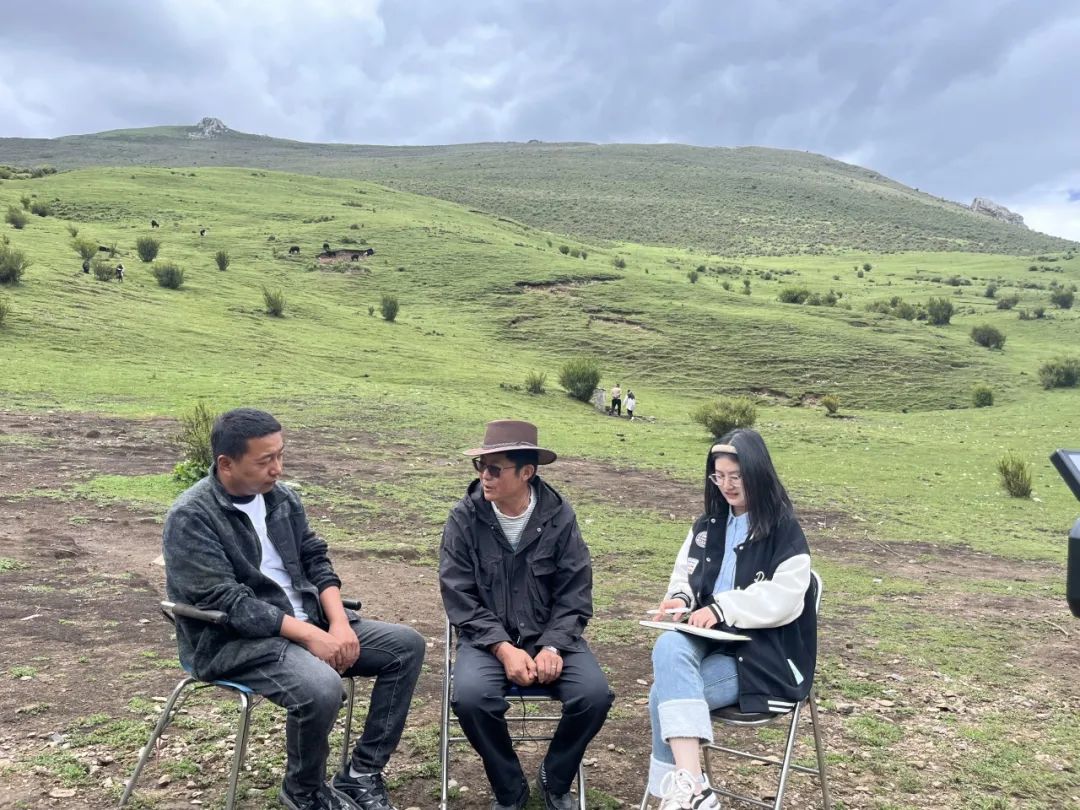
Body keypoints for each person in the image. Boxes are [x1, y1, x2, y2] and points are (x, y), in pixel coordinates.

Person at [163, 408, 425, 810]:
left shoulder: (281, 498)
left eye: (280, 455)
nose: (277, 469)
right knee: (322, 688)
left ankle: (361, 774)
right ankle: (304, 792)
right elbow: (231, 605)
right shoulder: (191, 517)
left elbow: (315, 559)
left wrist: (338, 623)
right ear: (226, 463)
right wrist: (311, 636)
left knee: (406, 646)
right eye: (265, 460)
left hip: (307, 622)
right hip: (233, 641)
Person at [440, 420, 614, 810]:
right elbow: (459, 596)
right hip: (487, 642)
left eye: (495, 468)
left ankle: (555, 778)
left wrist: (553, 645)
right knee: (471, 698)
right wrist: (503, 648)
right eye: (480, 466)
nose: (484, 476)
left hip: (551, 637)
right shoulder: (463, 518)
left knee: (594, 696)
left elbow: (575, 592)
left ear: (527, 473)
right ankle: (509, 789)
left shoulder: (560, 517)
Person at [645, 428, 816, 810]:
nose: (726, 485)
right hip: (709, 641)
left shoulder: (784, 530)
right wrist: (680, 600)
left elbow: (787, 597)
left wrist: (723, 608)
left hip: (761, 657)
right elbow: (685, 576)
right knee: (669, 642)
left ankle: (683, 791)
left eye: (736, 476)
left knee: (661, 697)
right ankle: (693, 787)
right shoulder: (708, 526)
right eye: (719, 476)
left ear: (757, 473)